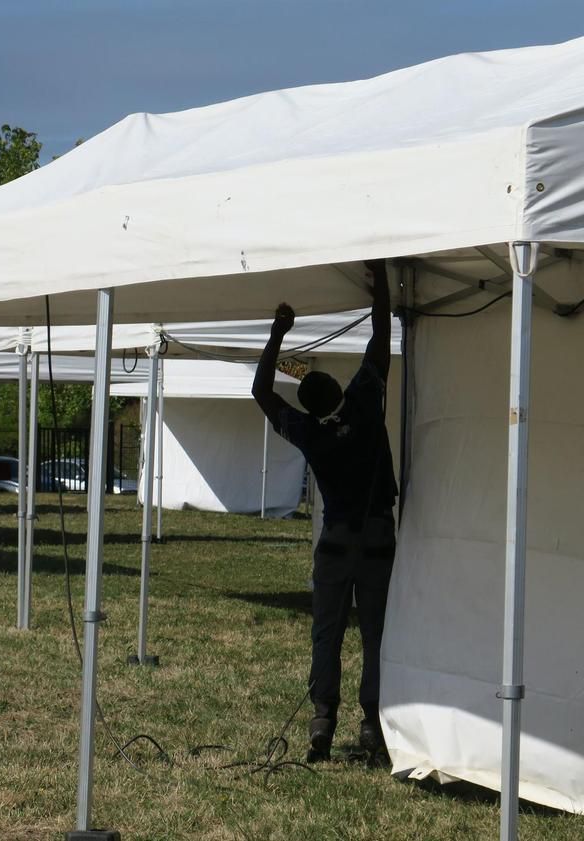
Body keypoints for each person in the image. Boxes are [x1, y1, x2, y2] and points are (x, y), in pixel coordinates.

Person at [251, 259, 397, 766]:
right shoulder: (362, 399)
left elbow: (261, 393)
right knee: (377, 634)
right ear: (338, 387)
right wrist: (379, 278)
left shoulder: (308, 432)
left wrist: (278, 332)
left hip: (335, 539)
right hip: (378, 535)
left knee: (327, 633)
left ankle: (321, 723)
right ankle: (373, 727)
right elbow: (381, 334)